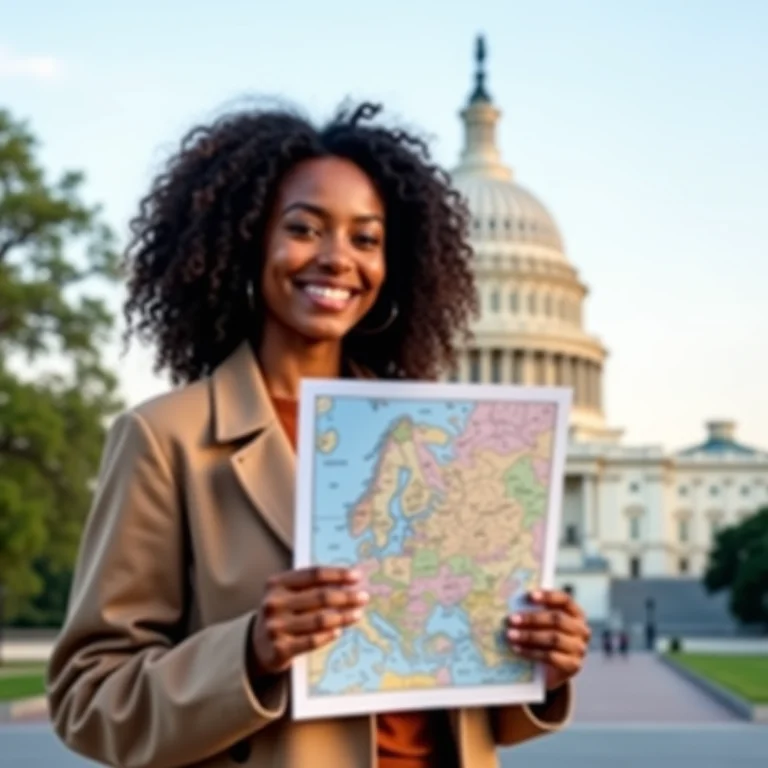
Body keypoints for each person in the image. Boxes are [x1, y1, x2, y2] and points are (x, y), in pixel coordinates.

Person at [47, 101, 591, 768]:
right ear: (247, 241)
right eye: (305, 229)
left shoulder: (438, 439)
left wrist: (539, 661)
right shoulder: (167, 438)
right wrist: (249, 653)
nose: (337, 260)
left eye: (366, 239)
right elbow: (89, 700)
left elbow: (455, 698)